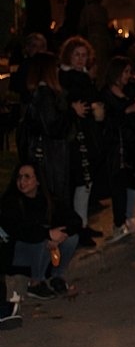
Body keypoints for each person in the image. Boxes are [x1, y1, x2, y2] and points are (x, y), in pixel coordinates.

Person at [0, 163, 81, 300]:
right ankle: (35, 282)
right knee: (42, 240)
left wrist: (61, 235)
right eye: (19, 177)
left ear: (37, 180)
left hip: (41, 251)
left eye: (27, 177)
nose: (22, 181)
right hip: (16, 252)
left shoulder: (46, 198)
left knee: (72, 238)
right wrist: (48, 234)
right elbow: (21, 232)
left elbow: (75, 220)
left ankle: (57, 277)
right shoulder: (11, 202)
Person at [58, 36, 105, 247]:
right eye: (76, 54)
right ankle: (77, 229)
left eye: (84, 55)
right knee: (80, 180)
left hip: (87, 131)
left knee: (86, 182)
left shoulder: (83, 77)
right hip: (74, 135)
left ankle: (83, 223)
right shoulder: (64, 77)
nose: (80, 58)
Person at [100, 56, 135, 243]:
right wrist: (128, 111)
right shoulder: (106, 94)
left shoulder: (128, 90)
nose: (128, 75)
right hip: (116, 147)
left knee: (131, 181)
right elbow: (108, 121)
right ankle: (118, 223)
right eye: (125, 72)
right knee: (119, 184)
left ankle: (129, 216)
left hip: (130, 145)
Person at [17, 52, 73, 204]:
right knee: (52, 197)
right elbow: (53, 127)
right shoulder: (45, 95)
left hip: (49, 155)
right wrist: (71, 113)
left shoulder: (40, 94)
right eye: (56, 67)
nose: (58, 71)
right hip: (50, 157)